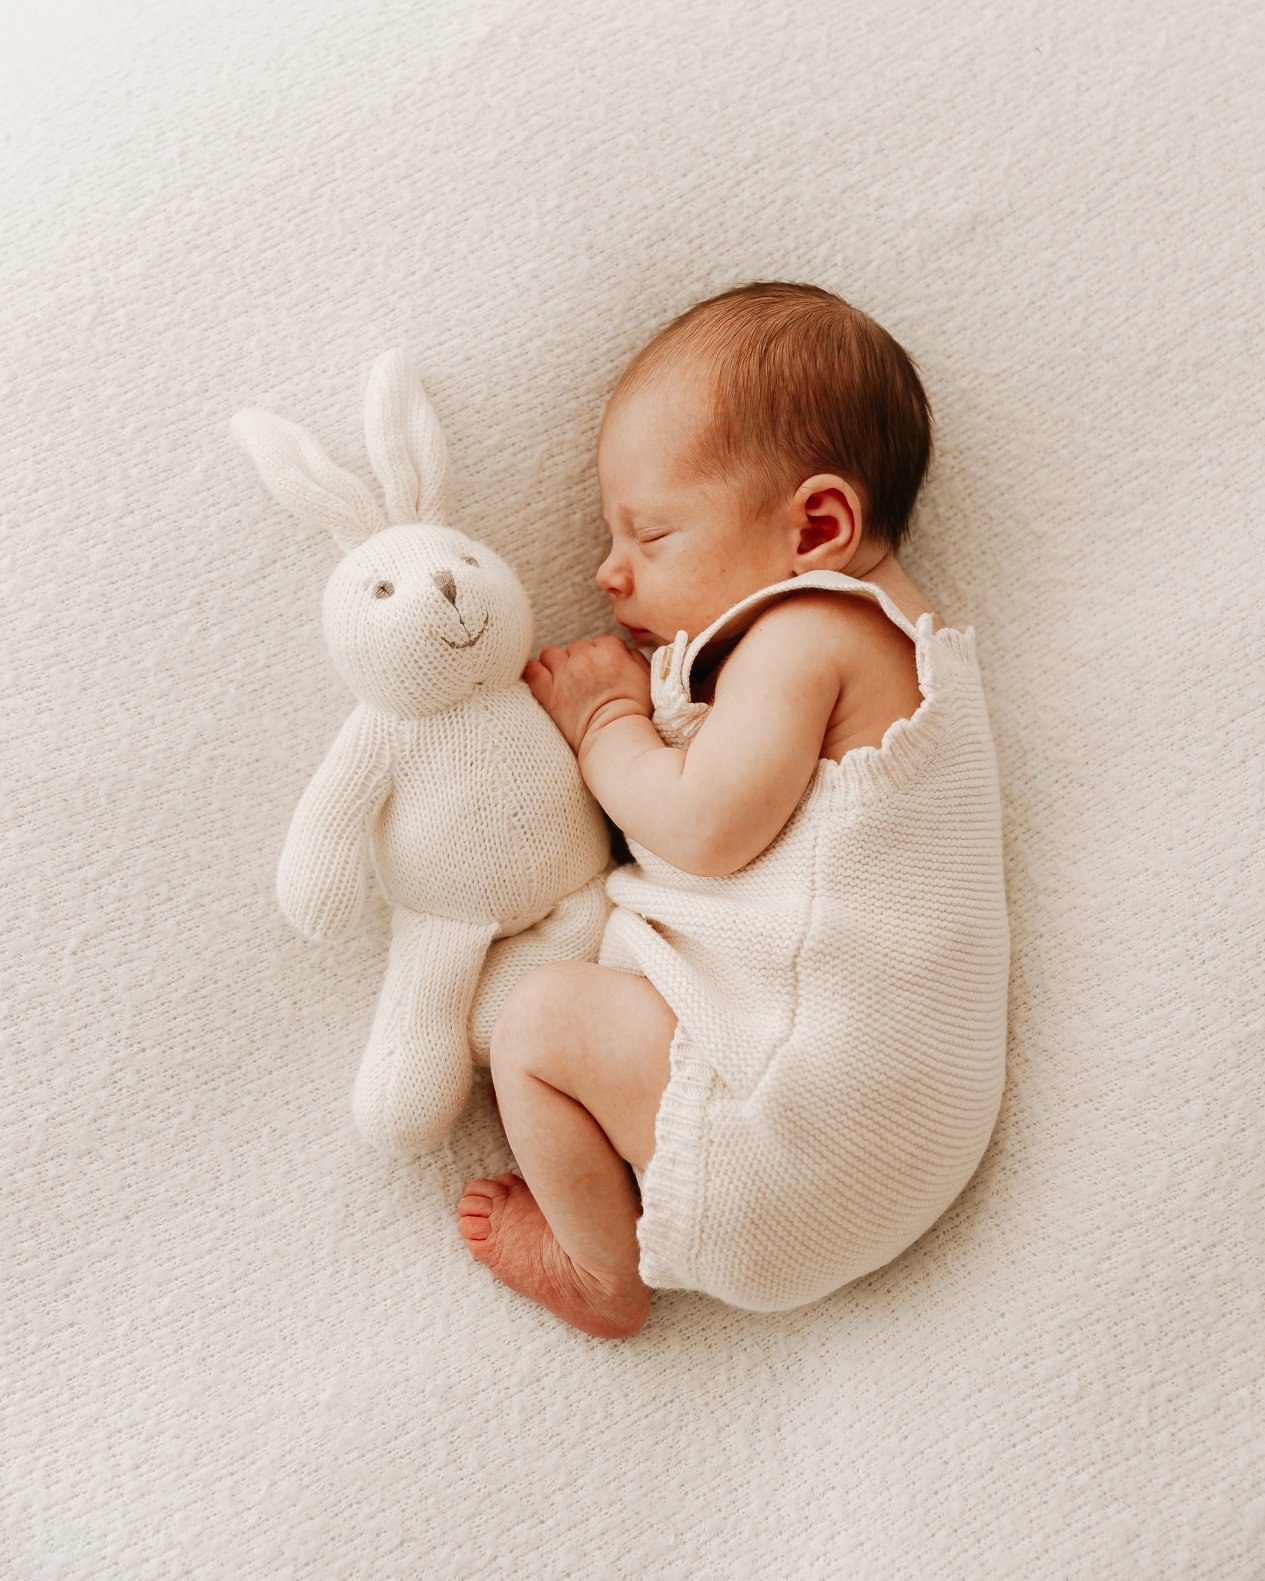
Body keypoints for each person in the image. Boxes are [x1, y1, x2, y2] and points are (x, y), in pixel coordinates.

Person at [455, 281, 1010, 1339]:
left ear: (816, 525)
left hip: (794, 1130)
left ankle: (601, 1269)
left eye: (651, 533)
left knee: (536, 1019)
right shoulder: (907, 650)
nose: (608, 570)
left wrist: (607, 721)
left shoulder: (811, 635)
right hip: (894, 1139)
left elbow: (703, 830)